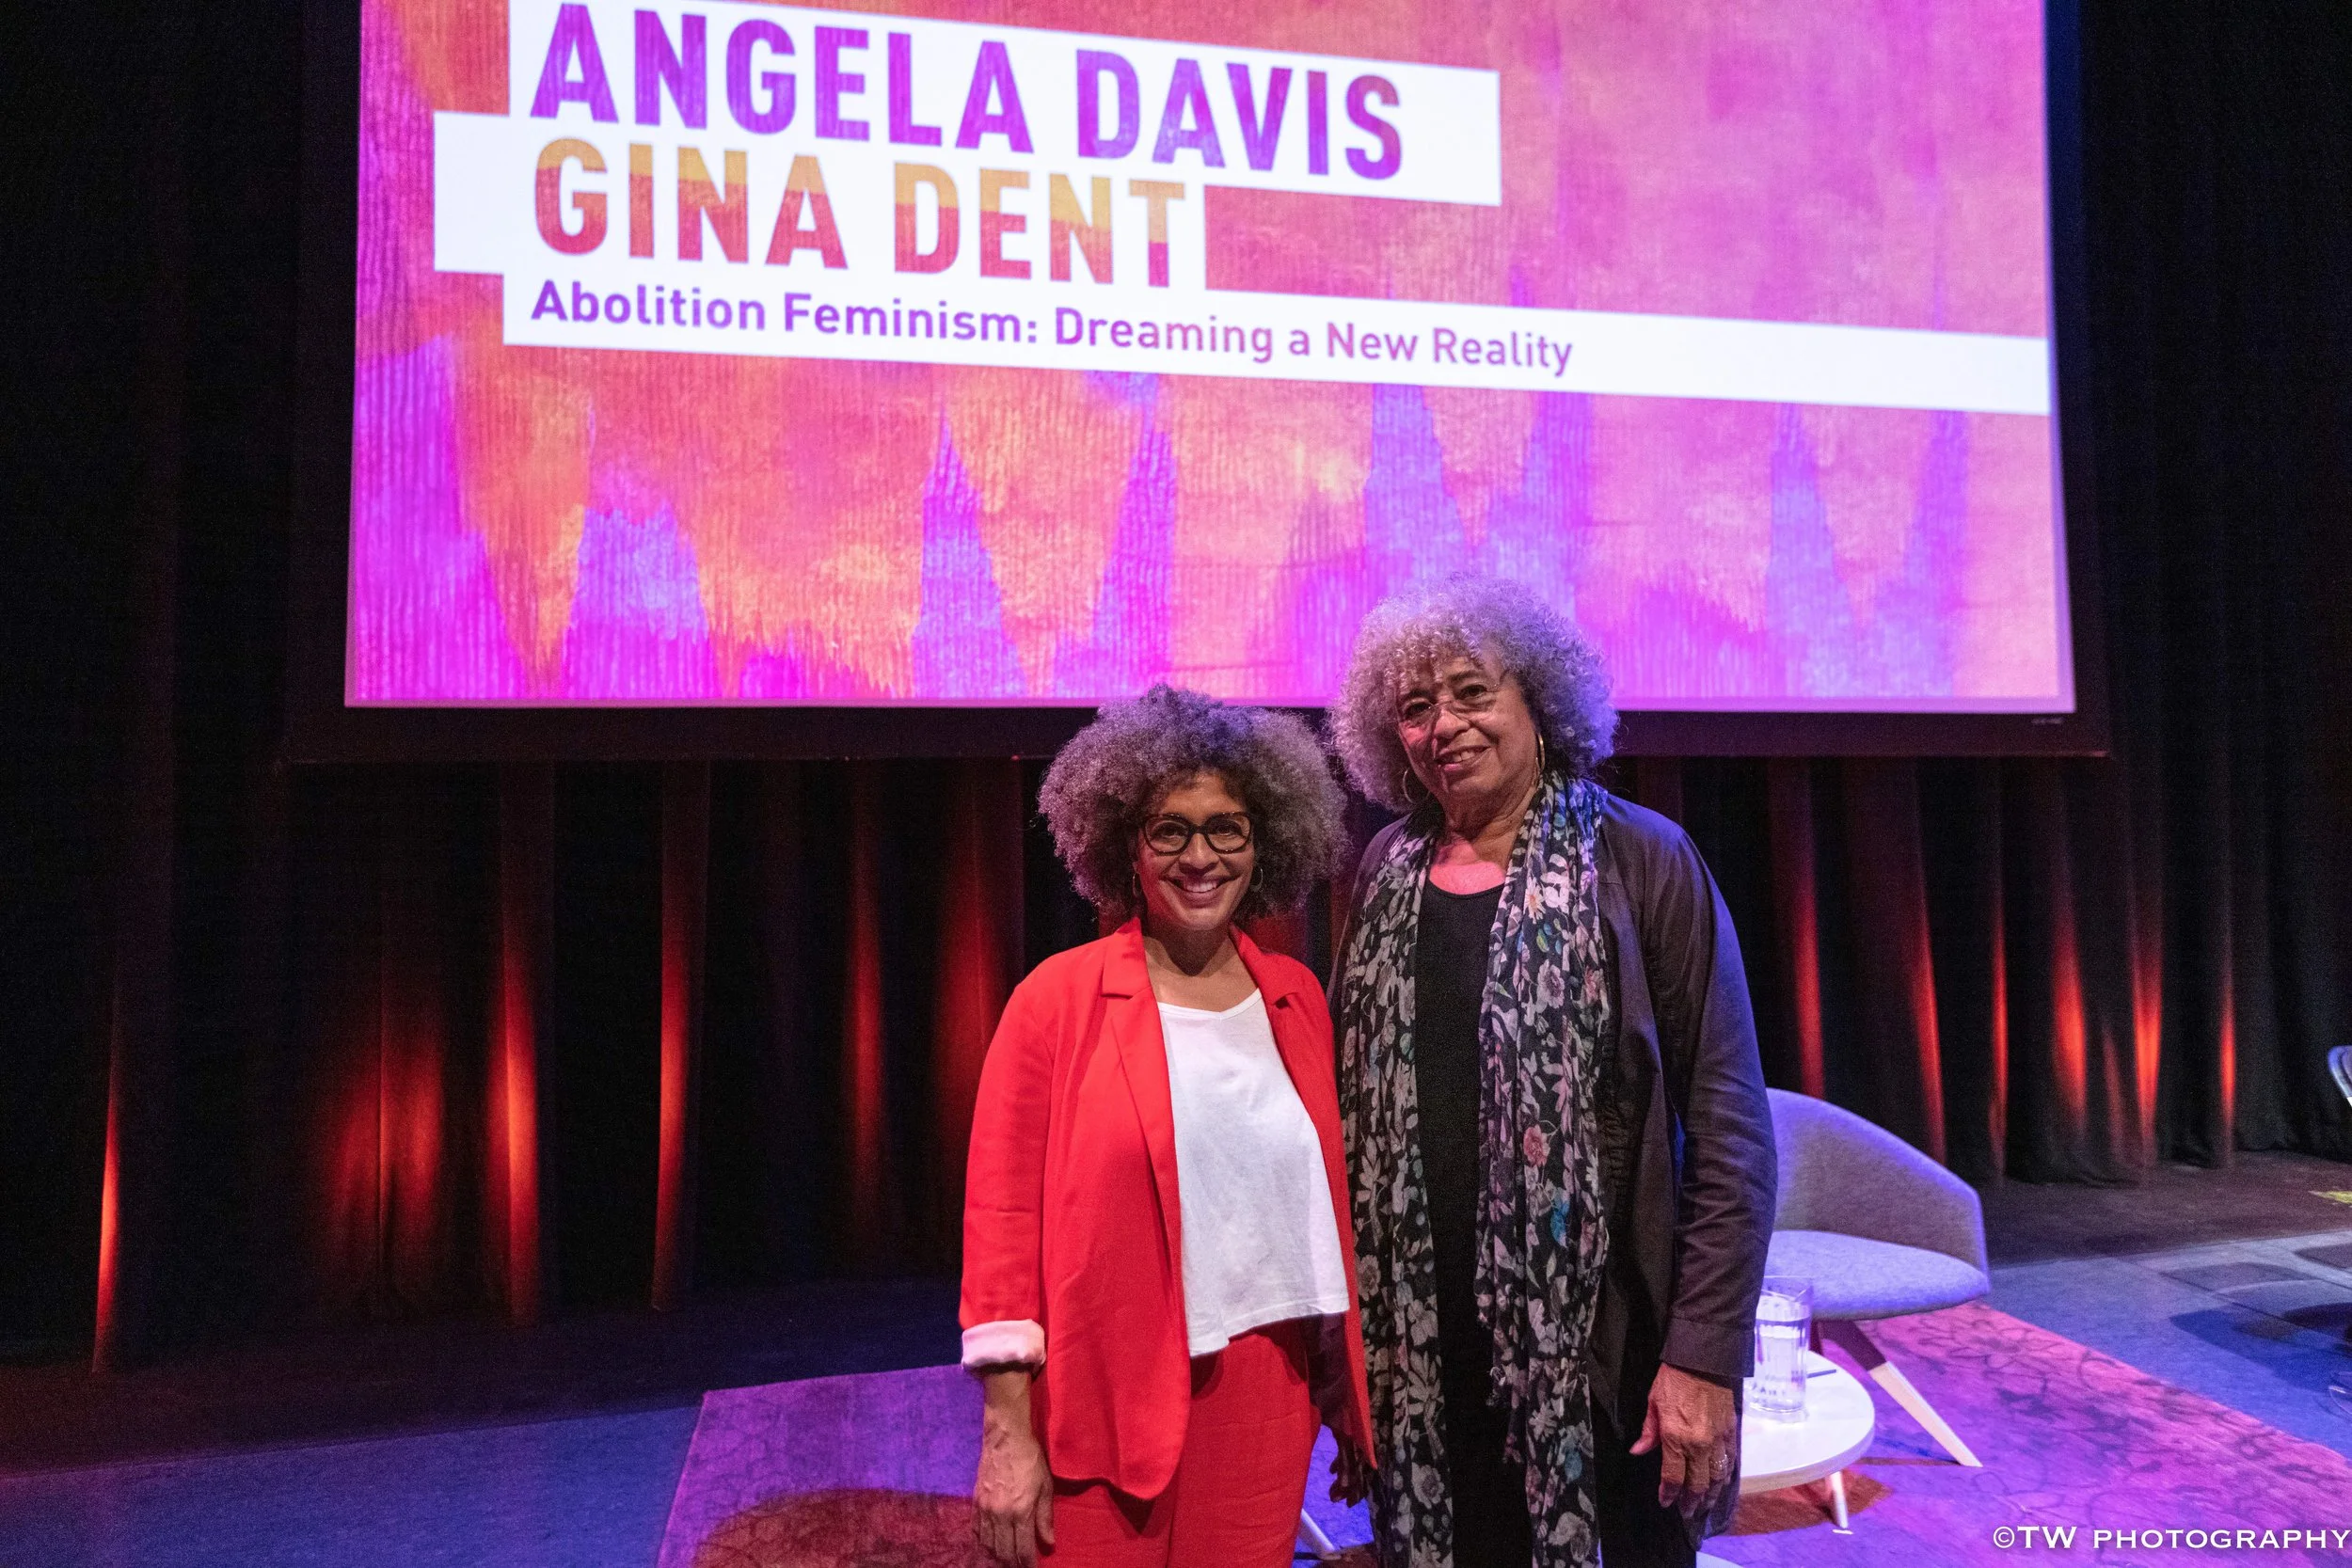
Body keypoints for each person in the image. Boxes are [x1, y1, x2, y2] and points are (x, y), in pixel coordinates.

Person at [1326, 578, 1775, 1568]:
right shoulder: (1383, 872)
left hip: (1608, 1361)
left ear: (1538, 701)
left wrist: (1702, 1352)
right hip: (1423, 1361)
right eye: (1413, 706)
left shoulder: (1643, 857)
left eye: (1470, 691)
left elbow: (1729, 1121)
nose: (1444, 724)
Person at [961, 685, 1375, 1568]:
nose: (1201, 856)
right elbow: (1001, 1229)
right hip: (1101, 1397)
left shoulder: (1297, 999)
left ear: (1264, 842)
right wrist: (1005, 1432)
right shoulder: (1055, 1001)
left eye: (1226, 826)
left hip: (1268, 1391)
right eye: (1170, 829)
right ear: (1124, 845)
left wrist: (1342, 1378)